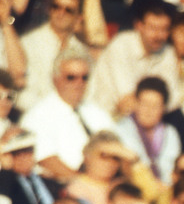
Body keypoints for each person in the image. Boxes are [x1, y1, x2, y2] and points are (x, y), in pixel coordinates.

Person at [20, 47, 117, 182]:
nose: (79, 83)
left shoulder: (96, 112)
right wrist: (88, 185)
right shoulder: (38, 116)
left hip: (106, 183)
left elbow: (116, 148)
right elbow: (47, 160)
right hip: (65, 185)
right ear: (55, 79)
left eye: (84, 77)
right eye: (71, 77)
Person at [88, 0, 181, 118]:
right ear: (139, 26)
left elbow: (173, 99)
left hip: (144, 119)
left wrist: (152, 106)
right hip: (101, 114)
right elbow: (126, 101)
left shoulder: (167, 52)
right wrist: (155, 105)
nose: (158, 35)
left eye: (164, 29)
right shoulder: (121, 45)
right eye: (153, 28)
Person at [17, 0, 89, 111]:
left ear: (79, 18)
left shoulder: (81, 51)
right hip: (36, 112)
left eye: (68, 10)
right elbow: (23, 95)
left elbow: (87, 93)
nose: (61, 13)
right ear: (49, 9)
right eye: (56, 7)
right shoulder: (29, 43)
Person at [0, 130, 62, 204]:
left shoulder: (47, 181)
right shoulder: (6, 183)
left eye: (28, 151)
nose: (24, 157)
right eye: (17, 154)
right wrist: (6, 170)